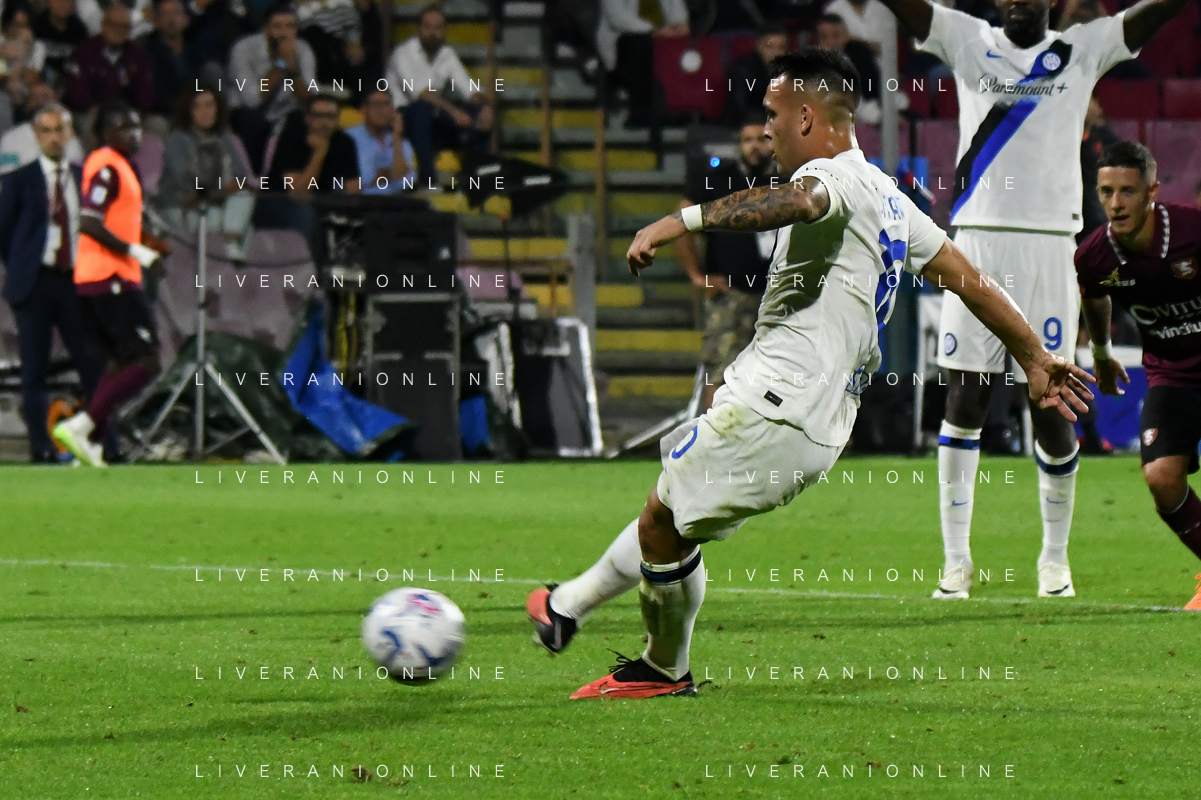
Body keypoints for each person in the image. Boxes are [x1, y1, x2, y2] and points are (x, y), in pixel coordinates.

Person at [526, 49, 1095, 699]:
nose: (766, 129)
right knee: (671, 515)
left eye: (772, 115)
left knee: (664, 523)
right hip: (818, 414)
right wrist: (1033, 356)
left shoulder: (829, 178)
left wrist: (678, 220)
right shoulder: (888, 196)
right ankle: (570, 608)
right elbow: (971, 279)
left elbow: (800, 200)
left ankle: (657, 667)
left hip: (783, 401)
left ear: (804, 116)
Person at [876, 0, 1193, 600]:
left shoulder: (1082, 49)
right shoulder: (968, 39)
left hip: (1050, 247)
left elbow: (1147, 17)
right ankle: (956, 564)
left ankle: (1054, 561)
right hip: (975, 245)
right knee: (964, 400)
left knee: (1050, 404)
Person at [1075, 142, 1201, 610]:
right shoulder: (1094, 256)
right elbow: (1094, 297)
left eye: (1127, 191)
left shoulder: (1191, 232)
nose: (1116, 203)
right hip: (1172, 375)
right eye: (1106, 192)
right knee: (1161, 479)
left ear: (1152, 191)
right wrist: (1102, 353)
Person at [52, 100, 165, 467]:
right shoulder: (106, 166)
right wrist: (135, 250)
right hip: (111, 276)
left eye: (137, 126)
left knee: (118, 363)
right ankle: (82, 425)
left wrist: (145, 241)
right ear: (105, 132)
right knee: (148, 360)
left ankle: (91, 444)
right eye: (124, 127)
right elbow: (89, 221)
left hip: (100, 276)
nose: (134, 134)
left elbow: (115, 221)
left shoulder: (120, 166)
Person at [0, 102, 100, 463]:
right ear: (35, 135)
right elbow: (4, 233)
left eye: (60, 130)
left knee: (92, 366)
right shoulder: (19, 180)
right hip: (36, 283)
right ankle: (40, 447)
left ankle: (106, 443)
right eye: (46, 130)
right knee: (34, 370)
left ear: (70, 133)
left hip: (76, 282)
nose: (54, 137)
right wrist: (22, 267)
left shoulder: (85, 178)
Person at [674, 112, 774, 411]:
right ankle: (715, 436)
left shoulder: (788, 181)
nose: (754, 147)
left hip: (781, 294)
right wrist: (697, 276)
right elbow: (680, 221)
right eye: (747, 140)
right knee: (722, 374)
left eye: (762, 139)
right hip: (732, 294)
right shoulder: (719, 181)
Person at [385, 4, 493, 186]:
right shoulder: (403, 53)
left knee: (478, 113)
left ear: (444, 31)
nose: (432, 33)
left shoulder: (447, 54)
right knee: (421, 110)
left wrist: (485, 107)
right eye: (427, 27)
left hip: (433, 122)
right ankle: (428, 181)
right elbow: (420, 93)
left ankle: (479, 181)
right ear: (418, 29)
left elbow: (469, 88)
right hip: (403, 121)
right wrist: (454, 112)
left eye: (438, 28)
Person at [157, 84, 255, 262]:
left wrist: (220, 191)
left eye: (209, 105)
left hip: (217, 199)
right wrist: (222, 189)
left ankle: (229, 244)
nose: (205, 112)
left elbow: (241, 178)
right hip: (183, 205)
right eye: (198, 107)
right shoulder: (178, 139)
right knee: (219, 218)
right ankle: (225, 255)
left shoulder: (224, 137)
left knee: (244, 196)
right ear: (189, 111)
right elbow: (186, 184)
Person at [256, 93, 358, 250]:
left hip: (321, 201)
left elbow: (354, 190)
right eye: (319, 116)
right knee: (305, 213)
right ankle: (307, 264)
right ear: (308, 119)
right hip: (277, 200)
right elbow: (299, 195)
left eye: (330, 117)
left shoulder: (344, 142)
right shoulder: (292, 138)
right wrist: (320, 153)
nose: (324, 122)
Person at [227, 2, 315, 175]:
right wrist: (281, 64)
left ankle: (288, 181)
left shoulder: (303, 49)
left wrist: (294, 72)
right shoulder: (243, 49)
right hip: (246, 115)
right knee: (251, 121)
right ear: (265, 29)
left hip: (283, 116)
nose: (284, 33)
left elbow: (311, 101)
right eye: (277, 27)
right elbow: (252, 101)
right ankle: (254, 180)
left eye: (290, 27)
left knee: (303, 120)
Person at [62, 3, 155, 147]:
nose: (118, 30)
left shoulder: (136, 55)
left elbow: (145, 95)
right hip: (92, 112)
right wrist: (92, 107)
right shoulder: (85, 51)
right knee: (89, 126)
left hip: (126, 112)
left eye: (124, 27)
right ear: (103, 25)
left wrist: (129, 111)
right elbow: (76, 91)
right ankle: (95, 162)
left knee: (156, 124)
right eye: (114, 25)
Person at [595, 0, 688, 128]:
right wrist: (653, 31)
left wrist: (679, 26)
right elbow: (616, 17)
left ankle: (678, 110)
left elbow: (677, 11)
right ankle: (641, 112)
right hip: (624, 38)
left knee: (686, 48)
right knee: (641, 44)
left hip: (663, 38)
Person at [344, 88, 416, 194]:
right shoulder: (348, 138)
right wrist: (384, 176)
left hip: (396, 200)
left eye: (386, 104)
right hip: (360, 201)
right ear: (363, 110)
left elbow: (404, 181)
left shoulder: (402, 143)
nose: (381, 110)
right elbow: (350, 186)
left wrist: (396, 138)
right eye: (375, 105)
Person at [720, 23, 789, 128]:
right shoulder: (743, 71)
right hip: (744, 128)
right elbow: (739, 109)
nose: (776, 53)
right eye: (769, 47)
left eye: (781, 47)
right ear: (758, 46)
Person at [139, 0, 197, 118]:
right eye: (165, 14)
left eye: (176, 13)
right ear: (156, 21)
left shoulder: (196, 51)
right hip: (165, 114)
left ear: (186, 20)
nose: (171, 20)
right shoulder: (148, 53)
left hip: (197, 111)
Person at [31, 0, 90, 90]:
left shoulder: (79, 30)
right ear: (47, 2)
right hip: (40, 84)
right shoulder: (36, 27)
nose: (62, 4)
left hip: (70, 86)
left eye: (67, 1)